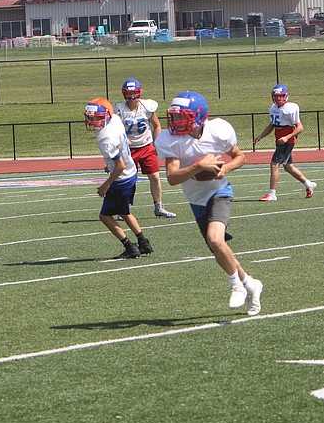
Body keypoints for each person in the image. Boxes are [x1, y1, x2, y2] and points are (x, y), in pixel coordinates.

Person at [154, 91, 263, 315]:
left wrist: (224, 169)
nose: (174, 122)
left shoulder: (217, 130)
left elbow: (240, 157)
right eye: (173, 116)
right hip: (196, 199)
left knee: (215, 239)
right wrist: (199, 166)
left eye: (180, 117)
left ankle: (236, 286)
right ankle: (251, 284)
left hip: (220, 191)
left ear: (198, 116)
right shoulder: (171, 140)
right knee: (219, 249)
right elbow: (173, 178)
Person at [85, 97, 153, 259]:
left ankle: (130, 247)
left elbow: (120, 165)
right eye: (91, 118)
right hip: (130, 172)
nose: (93, 121)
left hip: (121, 178)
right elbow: (125, 144)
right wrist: (110, 164)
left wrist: (105, 185)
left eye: (96, 118)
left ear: (105, 115)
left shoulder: (106, 138)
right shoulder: (115, 120)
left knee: (105, 216)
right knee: (123, 211)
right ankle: (143, 243)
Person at [114, 78, 176, 218]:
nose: (132, 96)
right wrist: (124, 140)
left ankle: (158, 207)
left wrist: (157, 142)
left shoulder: (147, 107)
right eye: (129, 93)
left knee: (154, 176)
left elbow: (157, 126)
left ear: (139, 92)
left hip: (146, 146)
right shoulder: (119, 110)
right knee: (129, 179)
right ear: (124, 94)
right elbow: (115, 130)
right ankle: (123, 208)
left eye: (134, 92)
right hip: (129, 149)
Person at [254, 84, 317, 201]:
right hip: (279, 139)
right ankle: (308, 184)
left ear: (286, 96)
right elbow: (272, 125)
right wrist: (260, 136)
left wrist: (287, 137)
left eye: (281, 96)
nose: (278, 99)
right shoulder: (273, 108)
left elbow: (300, 127)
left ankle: (272, 194)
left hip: (287, 140)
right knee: (288, 167)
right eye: (276, 96)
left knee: (274, 163)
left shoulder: (290, 108)